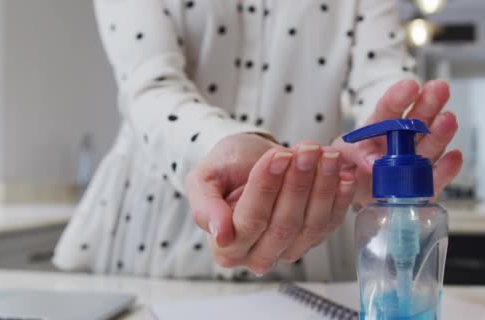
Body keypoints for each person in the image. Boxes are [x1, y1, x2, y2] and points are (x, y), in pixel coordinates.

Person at [53, 0, 462, 281]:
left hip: (312, 215)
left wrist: (385, 139)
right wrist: (220, 146)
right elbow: (150, 84)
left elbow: (382, 71)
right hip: (151, 234)